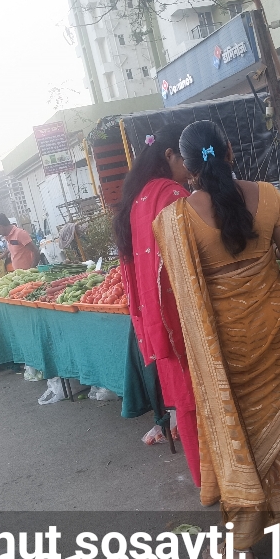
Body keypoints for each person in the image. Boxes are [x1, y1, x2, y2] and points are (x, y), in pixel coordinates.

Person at [154, 120, 280, 559]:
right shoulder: (269, 196)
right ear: (230, 151)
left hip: (226, 342)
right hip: (276, 327)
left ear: (188, 167)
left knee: (237, 429)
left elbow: (179, 293)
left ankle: (243, 542)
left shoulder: (176, 220)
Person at [114, 123, 201, 486]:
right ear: (169, 156)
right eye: (187, 161)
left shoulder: (138, 197)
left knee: (185, 402)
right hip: (183, 316)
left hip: (159, 318)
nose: (192, 171)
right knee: (201, 401)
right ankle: (221, 480)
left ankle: (205, 482)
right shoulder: (172, 194)